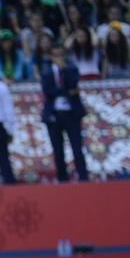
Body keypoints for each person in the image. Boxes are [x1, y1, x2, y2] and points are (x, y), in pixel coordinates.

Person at [41, 44, 89, 182]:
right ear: (51, 57)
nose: (59, 58)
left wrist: (64, 72)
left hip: (71, 113)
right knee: (58, 149)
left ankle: (83, 177)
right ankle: (62, 179)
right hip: (54, 114)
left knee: (77, 148)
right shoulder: (47, 72)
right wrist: (66, 92)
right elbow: (48, 91)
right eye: (56, 55)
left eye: (61, 55)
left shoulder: (72, 69)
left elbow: (73, 84)